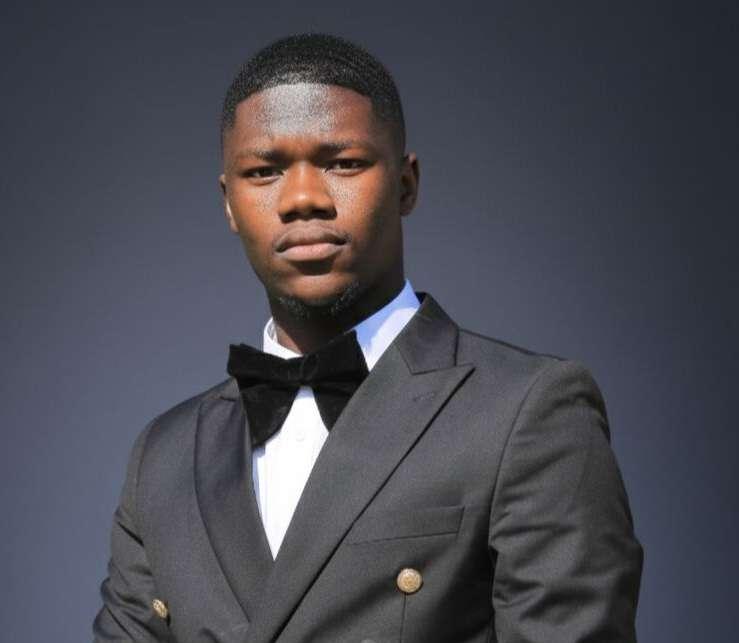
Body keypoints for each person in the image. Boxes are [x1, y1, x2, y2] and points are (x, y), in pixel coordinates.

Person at [93, 33, 642, 643]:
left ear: (406, 184)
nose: (303, 199)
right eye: (264, 171)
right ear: (229, 203)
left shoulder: (527, 413)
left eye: (343, 163)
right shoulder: (164, 456)